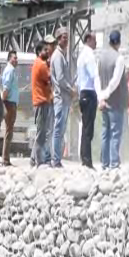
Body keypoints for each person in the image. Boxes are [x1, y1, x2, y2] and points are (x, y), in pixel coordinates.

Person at [95, 30, 128, 170]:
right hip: (115, 101)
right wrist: (106, 94)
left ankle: (104, 163)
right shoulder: (119, 58)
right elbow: (115, 81)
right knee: (115, 133)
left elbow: (96, 78)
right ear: (119, 42)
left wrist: (100, 97)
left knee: (105, 132)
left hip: (103, 101)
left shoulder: (100, 58)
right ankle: (114, 163)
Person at [50, 28, 77, 168]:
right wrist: (71, 89)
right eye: (63, 38)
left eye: (67, 38)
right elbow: (60, 78)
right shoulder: (58, 56)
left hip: (64, 99)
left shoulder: (62, 55)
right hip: (60, 98)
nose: (66, 40)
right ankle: (55, 159)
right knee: (58, 130)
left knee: (60, 130)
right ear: (58, 39)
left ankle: (57, 158)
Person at [77, 33, 98, 169]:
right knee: (88, 128)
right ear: (89, 40)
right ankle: (87, 160)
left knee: (85, 127)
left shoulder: (81, 55)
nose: (96, 43)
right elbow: (94, 75)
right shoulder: (89, 55)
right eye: (95, 40)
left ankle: (84, 157)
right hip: (89, 92)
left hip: (82, 92)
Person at [32, 37, 54, 166]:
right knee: (42, 133)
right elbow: (50, 77)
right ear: (40, 51)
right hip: (42, 102)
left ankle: (34, 158)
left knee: (41, 132)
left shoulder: (37, 63)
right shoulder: (41, 64)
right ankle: (38, 160)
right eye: (45, 50)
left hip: (39, 101)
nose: (48, 52)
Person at [0, 51, 19, 166]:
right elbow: (6, 88)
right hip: (10, 104)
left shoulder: (11, 70)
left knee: (9, 131)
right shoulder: (10, 70)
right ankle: (5, 159)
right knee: (9, 131)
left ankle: (5, 158)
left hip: (11, 103)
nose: (16, 60)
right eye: (14, 58)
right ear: (9, 59)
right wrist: (3, 101)